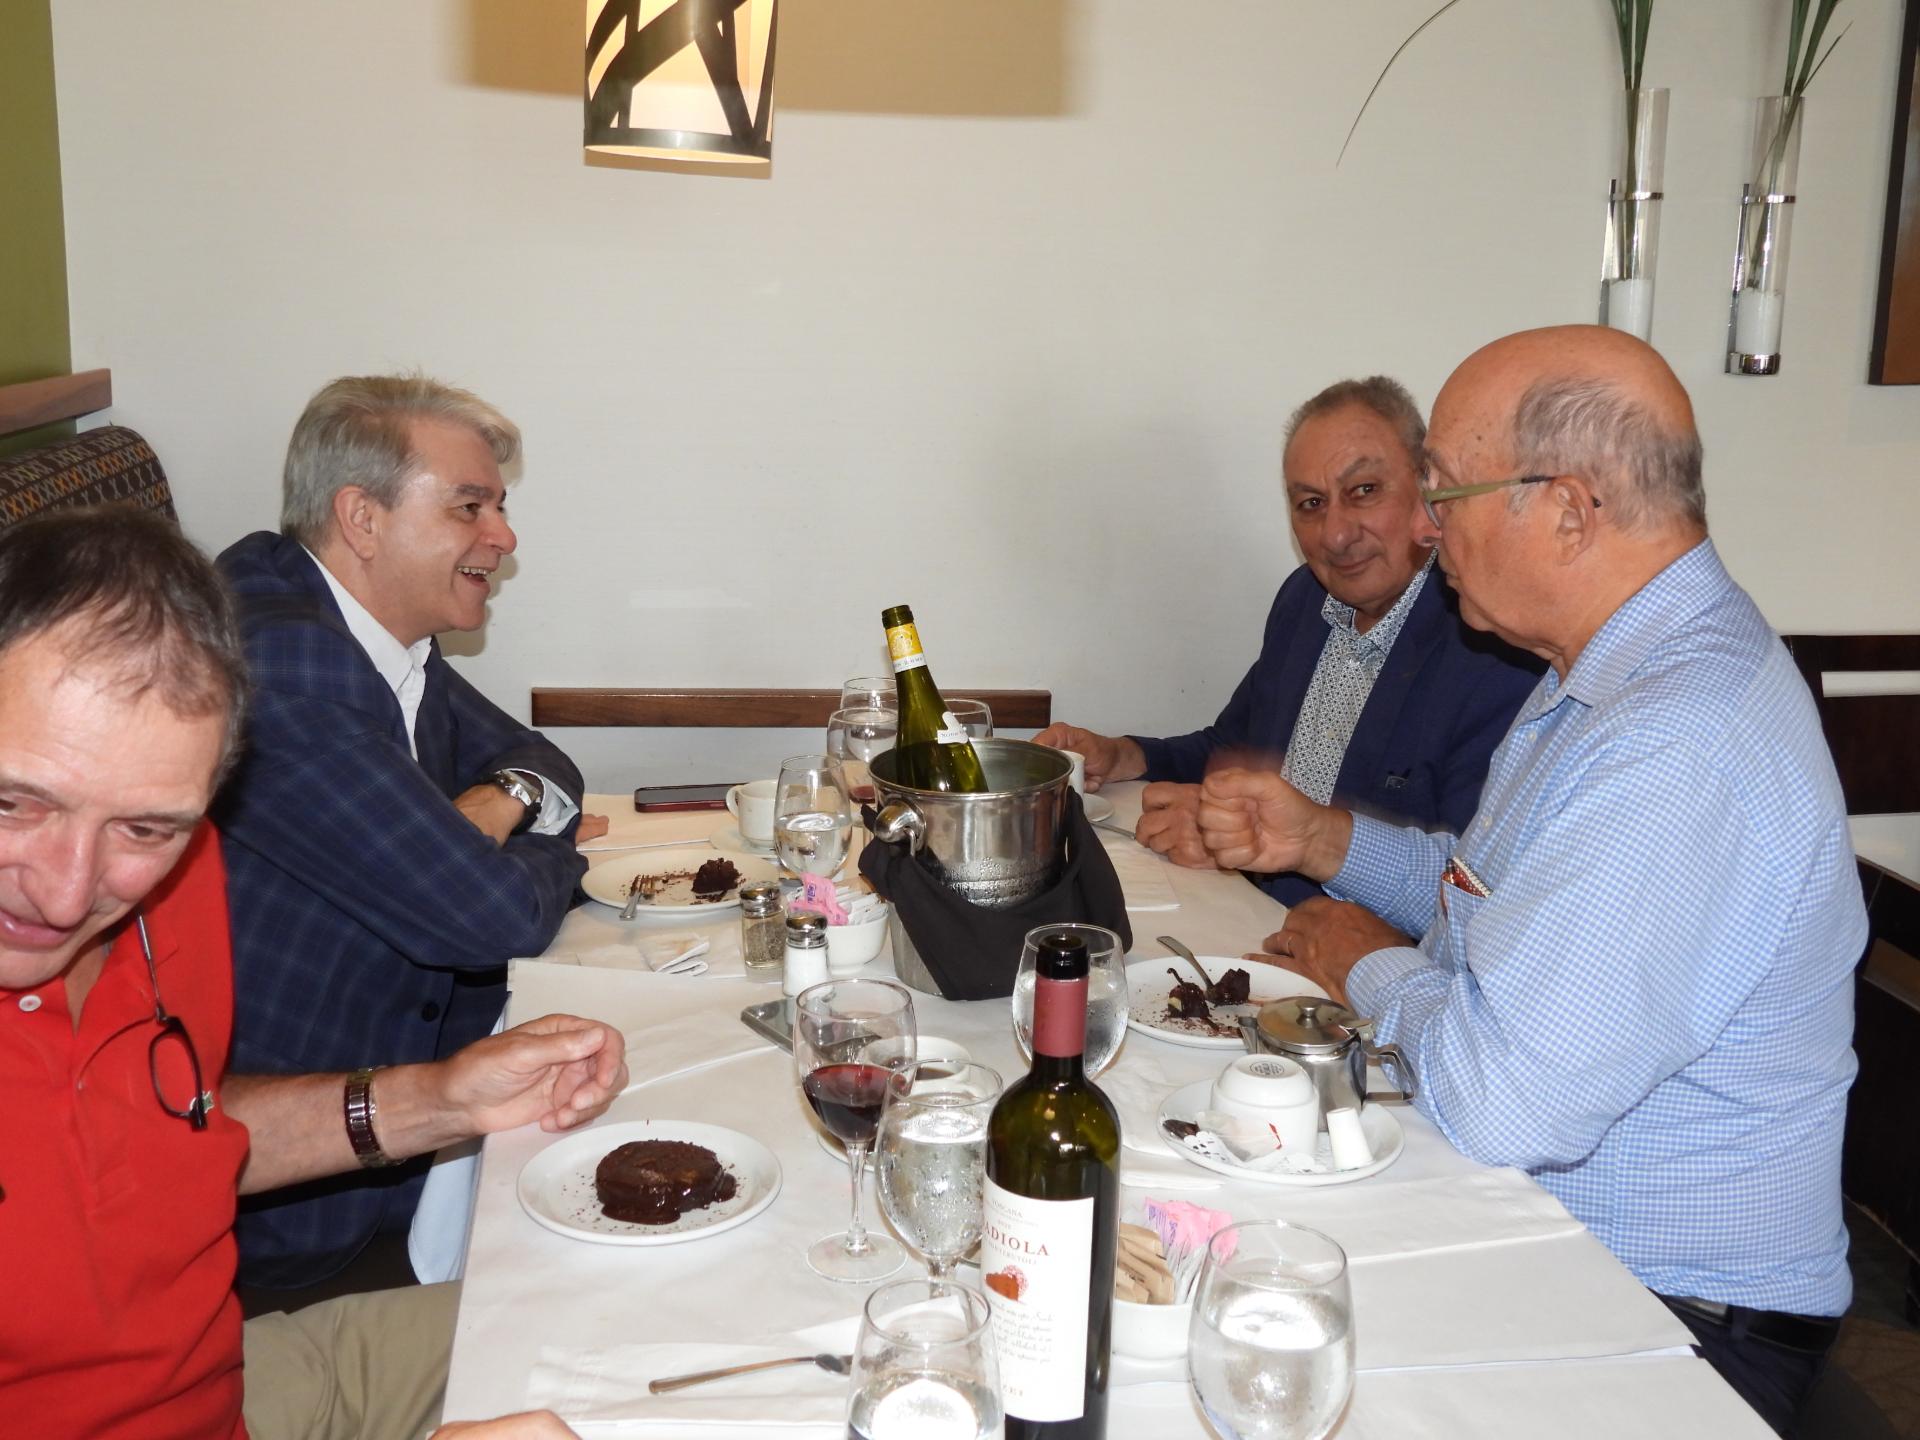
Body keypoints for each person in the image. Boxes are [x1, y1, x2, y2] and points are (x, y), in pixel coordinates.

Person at [1195, 326, 1862, 1436]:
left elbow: (1503, 1102)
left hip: (1667, 1319)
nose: (1424, 527)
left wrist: (1369, 964)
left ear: (1568, 510)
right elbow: (1496, 894)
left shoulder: (1677, 742)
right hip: (1556, 1239)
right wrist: (1324, 842)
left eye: (1445, 494)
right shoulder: (1597, 674)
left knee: (1239, 1345)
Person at [0, 505, 608, 1439]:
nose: (66, 890)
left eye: (143, 827)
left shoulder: (180, 881)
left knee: (655, 1315)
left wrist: (441, 1100)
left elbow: (181, 1126)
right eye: (16, 804)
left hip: (234, 1382)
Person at [213, 375, 604, 1289]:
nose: (503, 537)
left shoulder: (372, 630)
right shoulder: (281, 656)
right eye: (470, 507)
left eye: (499, 508)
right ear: (362, 518)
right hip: (296, 1213)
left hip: (410, 1115)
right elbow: (491, 919)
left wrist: (498, 803)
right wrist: (550, 847)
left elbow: (542, 761)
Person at [1035, 376, 1539, 903]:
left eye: (1364, 491)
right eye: (1311, 503)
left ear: (1427, 489)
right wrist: (1123, 755)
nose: (1336, 534)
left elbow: (1478, 884)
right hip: (1251, 912)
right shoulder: (1304, 600)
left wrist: (1240, 842)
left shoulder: (1493, 645)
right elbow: (1232, 748)